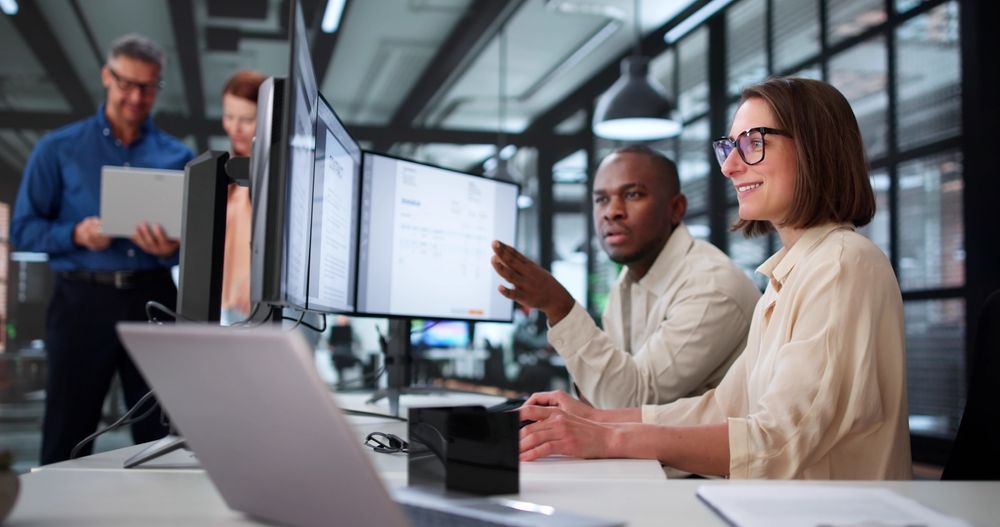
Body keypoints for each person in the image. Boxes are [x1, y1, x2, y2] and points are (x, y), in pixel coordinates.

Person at [517, 77, 912, 480]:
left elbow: (777, 443)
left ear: (815, 148)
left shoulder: (841, 264)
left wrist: (608, 437)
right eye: (729, 147)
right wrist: (596, 419)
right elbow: (723, 407)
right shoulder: (788, 275)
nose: (729, 166)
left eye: (753, 143)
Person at [11, 34, 194, 464]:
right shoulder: (58, 149)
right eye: (127, 83)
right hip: (80, 301)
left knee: (162, 434)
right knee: (67, 431)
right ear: (106, 77)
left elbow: (194, 244)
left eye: (148, 87)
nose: (136, 97)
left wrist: (170, 248)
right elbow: (23, 230)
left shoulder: (178, 156)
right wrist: (75, 235)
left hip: (153, 297)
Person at [491, 145, 760, 408]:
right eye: (601, 199)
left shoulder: (711, 287)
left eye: (633, 194)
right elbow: (609, 388)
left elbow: (631, 402)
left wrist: (558, 306)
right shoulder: (629, 281)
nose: (612, 211)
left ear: (676, 208)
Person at [219, 70, 266, 324]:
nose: (235, 128)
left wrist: (261, 280)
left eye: (246, 119)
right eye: (229, 116)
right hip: (232, 304)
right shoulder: (228, 176)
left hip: (262, 300)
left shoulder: (279, 175)